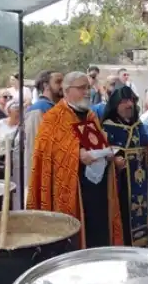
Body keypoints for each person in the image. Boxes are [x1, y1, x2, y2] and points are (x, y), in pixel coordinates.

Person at [27, 71, 123, 249]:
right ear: (66, 91)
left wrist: (110, 155)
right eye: (81, 88)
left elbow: (100, 142)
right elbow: (48, 152)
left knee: (98, 236)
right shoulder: (53, 118)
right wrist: (76, 154)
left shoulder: (91, 116)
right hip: (70, 189)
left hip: (98, 190)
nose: (87, 92)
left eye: (87, 87)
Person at [101, 86, 148, 247]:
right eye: (124, 101)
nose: (129, 104)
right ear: (116, 104)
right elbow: (101, 152)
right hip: (120, 183)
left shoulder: (138, 125)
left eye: (131, 100)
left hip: (141, 181)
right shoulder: (107, 126)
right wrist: (113, 161)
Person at [22, 70, 63, 188]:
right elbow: (38, 147)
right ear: (46, 85)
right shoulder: (38, 109)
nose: (62, 86)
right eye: (58, 82)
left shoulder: (58, 109)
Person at [0, 99, 20, 178]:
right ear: (9, 112)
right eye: (17, 110)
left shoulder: (25, 126)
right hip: (2, 162)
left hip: (18, 163)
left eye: (21, 110)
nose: (20, 113)